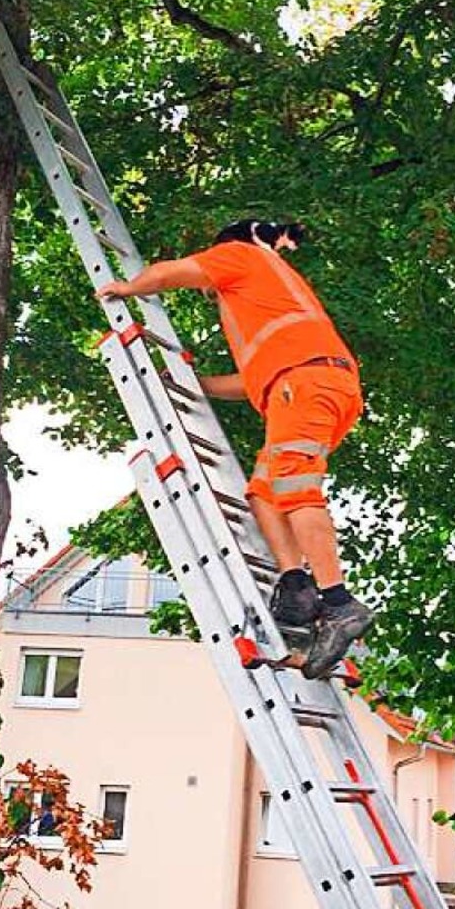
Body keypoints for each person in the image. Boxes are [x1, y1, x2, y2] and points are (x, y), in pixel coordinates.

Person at [95, 219, 373, 678]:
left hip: (302, 385)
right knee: (264, 493)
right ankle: (297, 584)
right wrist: (192, 385)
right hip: (315, 385)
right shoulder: (269, 294)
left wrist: (127, 287)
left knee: (295, 486)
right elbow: (249, 382)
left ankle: (339, 602)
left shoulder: (242, 255)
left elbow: (167, 274)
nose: (208, 288)